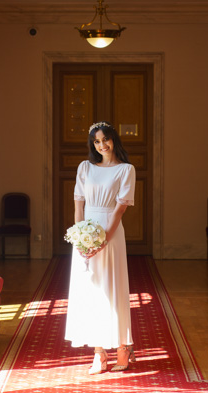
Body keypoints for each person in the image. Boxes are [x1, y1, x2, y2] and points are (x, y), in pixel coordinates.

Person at [65, 121, 136, 374]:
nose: (101, 144)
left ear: (114, 139)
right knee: (90, 292)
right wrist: (79, 238)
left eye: (105, 139)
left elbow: (120, 209)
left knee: (112, 288)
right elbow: (78, 204)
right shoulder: (85, 167)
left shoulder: (126, 170)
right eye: (96, 141)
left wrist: (103, 239)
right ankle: (98, 353)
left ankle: (123, 348)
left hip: (111, 232)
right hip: (86, 231)